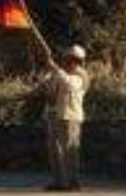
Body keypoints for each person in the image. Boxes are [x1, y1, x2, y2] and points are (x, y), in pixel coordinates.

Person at [41, 44, 89, 192]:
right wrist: (48, 74)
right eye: (68, 58)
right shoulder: (60, 72)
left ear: (79, 61)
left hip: (70, 117)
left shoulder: (81, 75)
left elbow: (69, 85)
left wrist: (55, 69)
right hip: (53, 115)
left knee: (70, 151)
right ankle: (59, 182)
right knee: (54, 151)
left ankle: (73, 182)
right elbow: (49, 88)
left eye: (72, 59)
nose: (68, 61)